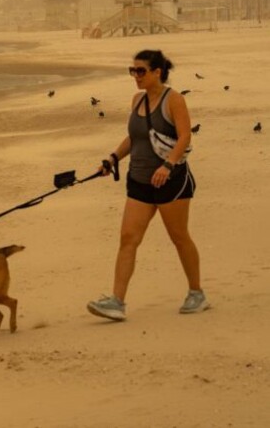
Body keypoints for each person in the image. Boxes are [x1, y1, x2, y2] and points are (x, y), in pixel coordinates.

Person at [87, 49, 208, 322]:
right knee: (128, 239)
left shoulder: (173, 100)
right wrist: (112, 158)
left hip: (171, 182)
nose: (135, 76)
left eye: (140, 71)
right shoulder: (137, 100)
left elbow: (185, 136)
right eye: (133, 71)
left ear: (157, 72)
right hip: (139, 182)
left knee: (179, 237)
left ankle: (196, 293)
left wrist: (168, 166)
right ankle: (117, 302)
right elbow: (135, 138)